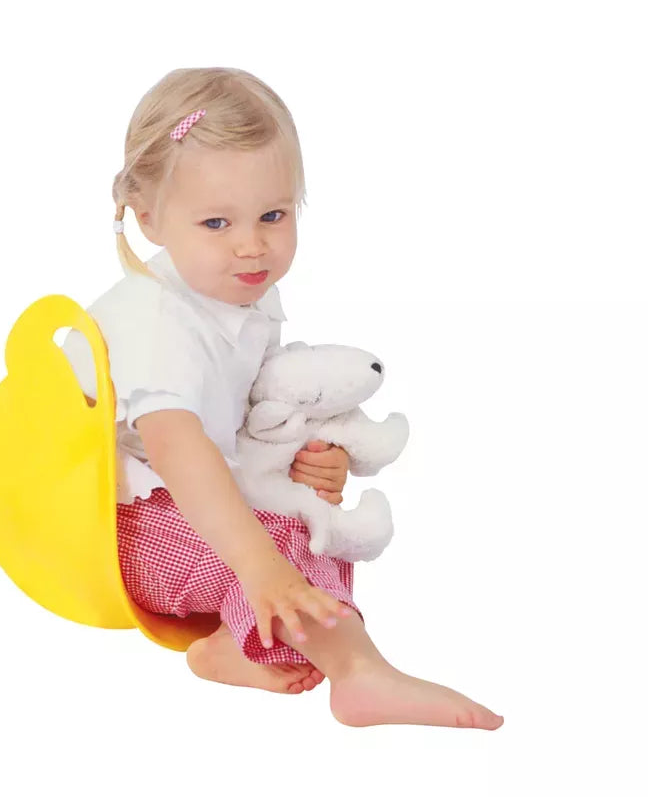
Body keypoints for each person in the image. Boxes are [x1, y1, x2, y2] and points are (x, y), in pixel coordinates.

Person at [62, 67, 503, 729]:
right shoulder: (157, 323)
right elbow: (179, 451)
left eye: (273, 215)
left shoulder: (245, 293)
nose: (252, 244)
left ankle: (233, 648)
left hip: (180, 505)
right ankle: (357, 673)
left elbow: (252, 414)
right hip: (113, 529)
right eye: (216, 222)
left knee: (310, 529)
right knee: (275, 542)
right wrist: (258, 561)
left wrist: (305, 458)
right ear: (151, 220)